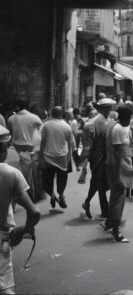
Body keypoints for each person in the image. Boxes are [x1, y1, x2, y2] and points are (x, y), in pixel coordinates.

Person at [0, 126, 41, 295]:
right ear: (3, 148)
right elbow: (34, 212)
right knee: (5, 286)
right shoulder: (10, 173)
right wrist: (26, 229)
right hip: (2, 238)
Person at [105, 104, 133, 243]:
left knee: (116, 197)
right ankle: (116, 234)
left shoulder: (123, 128)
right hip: (119, 169)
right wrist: (118, 176)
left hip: (124, 167)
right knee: (119, 200)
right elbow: (117, 154)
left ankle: (110, 224)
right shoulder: (117, 128)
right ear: (126, 117)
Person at [81, 98, 115, 220]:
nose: (107, 110)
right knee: (98, 182)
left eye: (109, 108)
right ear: (100, 109)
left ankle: (100, 208)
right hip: (98, 157)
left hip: (107, 155)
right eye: (105, 108)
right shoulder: (95, 122)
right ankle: (98, 207)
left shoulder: (110, 120)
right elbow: (89, 143)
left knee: (103, 183)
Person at [39, 106, 75, 210]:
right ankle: (61, 195)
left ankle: (53, 196)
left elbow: (42, 142)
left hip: (48, 157)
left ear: (51, 113)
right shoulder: (66, 126)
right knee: (62, 180)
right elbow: (71, 144)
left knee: (47, 181)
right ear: (61, 114)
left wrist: (41, 157)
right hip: (62, 157)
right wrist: (69, 158)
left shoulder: (46, 125)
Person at [6, 98, 43, 201]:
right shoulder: (35, 117)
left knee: (26, 174)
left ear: (17, 106)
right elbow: (41, 133)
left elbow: (9, 133)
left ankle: (31, 195)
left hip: (19, 149)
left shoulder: (11, 119)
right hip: (35, 148)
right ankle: (36, 193)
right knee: (35, 172)